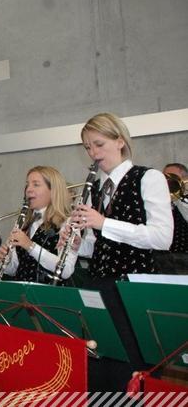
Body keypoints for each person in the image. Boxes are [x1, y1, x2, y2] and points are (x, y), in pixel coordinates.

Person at [68, 113, 173, 391]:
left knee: (130, 370)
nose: (93, 153)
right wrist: (77, 244)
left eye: (99, 144)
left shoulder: (148, 177)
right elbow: (100, 244)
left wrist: (104, 223)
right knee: (98, 367)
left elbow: (163, 237)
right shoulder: (95, 188)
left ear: (120, 141)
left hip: (133, 290)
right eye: (88, 147)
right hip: (98, 287)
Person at [0, 166, 76, 284]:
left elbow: (66, 270)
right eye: (27, 184)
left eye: (36, 184)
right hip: (21, 291)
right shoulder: (24, 223)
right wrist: (6, 260)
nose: (28, 190)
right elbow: (15, 269)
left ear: (53, 191)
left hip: (49, 292)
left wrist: (30, 246)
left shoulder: (68, 222)